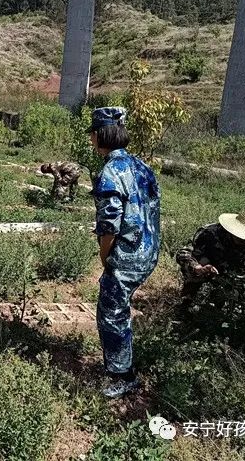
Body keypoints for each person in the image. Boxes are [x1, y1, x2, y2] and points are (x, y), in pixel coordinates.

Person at [90, 106, 160, 399]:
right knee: (120, 306)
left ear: (100, 135)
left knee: (112, 313)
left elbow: (109, 225)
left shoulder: (110, 172)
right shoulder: (142, 166)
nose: (91, 139)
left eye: (93, 133)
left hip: (127, 256)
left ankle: (122, 376)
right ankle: (123, 364)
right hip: (148, 251)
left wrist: (105, 256)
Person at [176, 206, 245, 304]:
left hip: (230, 278)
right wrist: (196, 267)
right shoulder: (210, 232)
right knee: (194, 274)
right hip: (204, 268)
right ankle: (188, 299)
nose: (243, 239)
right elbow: (183, 253)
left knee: (241, 293)